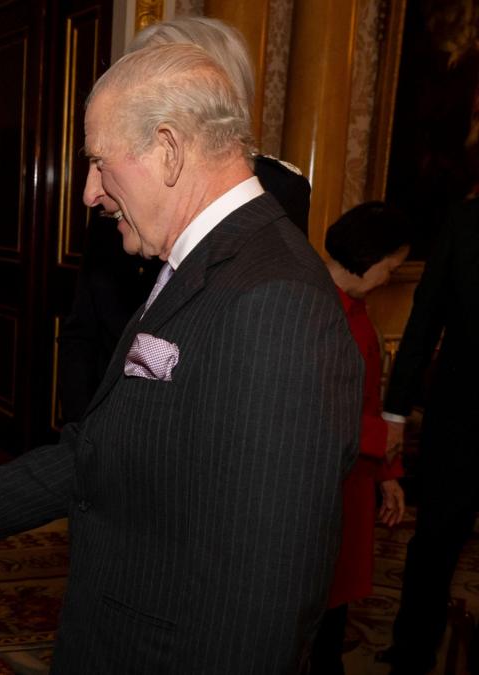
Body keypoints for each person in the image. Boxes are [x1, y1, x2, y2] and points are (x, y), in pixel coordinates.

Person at [0, 43, 362, 673]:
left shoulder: (273, 299)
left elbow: (266, 593)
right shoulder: (196, 264)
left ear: (168, 149)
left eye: (98, 163)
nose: (89, 192)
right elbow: (108, 450)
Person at [57, 15, 310, 422]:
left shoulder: (273, 197)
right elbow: (82, 331)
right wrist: (84, 440)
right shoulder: (114, 191)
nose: (93, 193)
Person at [308, 202, 410, 674]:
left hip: (352, 480)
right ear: (370, 256)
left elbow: (368, 398)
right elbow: (302, 407)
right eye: (391, 265)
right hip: (314, 488)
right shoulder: (309, 306)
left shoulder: (359, 311)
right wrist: (378, 439)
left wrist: (387, 475)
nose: (391, 276)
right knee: (307, 610)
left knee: (333, 608)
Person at [381, 198, 479, 675]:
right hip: (458, 425)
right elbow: (424, 321)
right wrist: (395, 411)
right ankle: (411, 656)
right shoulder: (463, 221)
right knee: (434, 546)